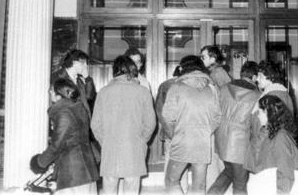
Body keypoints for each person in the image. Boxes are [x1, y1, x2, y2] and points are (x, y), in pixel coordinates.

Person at [91, 55, 157, 195]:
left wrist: (105, 141)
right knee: (132, 188)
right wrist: (141, 140)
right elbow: (151, 123)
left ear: (115, 71)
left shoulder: (103, 92)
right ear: (133, 70)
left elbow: (95, 124)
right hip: (134, 147)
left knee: (109, 187)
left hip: (110, 147)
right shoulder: (143, 92)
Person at [161, 55, 222, 195]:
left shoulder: (176, 87)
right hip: (203, 143)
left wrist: (175, 134)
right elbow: (217, 118)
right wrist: (204, 130)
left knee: (171, 180)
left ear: (182, 68)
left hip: (182, 140)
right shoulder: (212, 89)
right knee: (199, 186)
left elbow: (167, 116)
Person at [30, 78, 99, 194]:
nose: (49, 93)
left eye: (51, 90)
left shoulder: (64, 114)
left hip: (73, 173)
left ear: (59, 95)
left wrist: (40, 162)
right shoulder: (78, 108)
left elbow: (57, 145)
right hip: (86, 170)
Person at [208, 61, 260, 195]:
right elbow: (256, 124)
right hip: (240, 144)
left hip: (222, 140)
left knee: (228, 172)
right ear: (254, 77)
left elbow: (214, 112)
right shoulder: (256, 95)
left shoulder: (224, 88)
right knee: (240, 183)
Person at [246, 94, 298, 195]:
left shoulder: (280, 138)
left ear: (267, 113)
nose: (258, 115)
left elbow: (286, 174)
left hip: (274, 187)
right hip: (265, 182)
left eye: (260, 111)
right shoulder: (266, 131)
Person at [244, 61, 294, 174]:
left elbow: (267, 128)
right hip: (269, 147)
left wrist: (256, 150)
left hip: (268, 151)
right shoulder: (278, 93)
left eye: (260, 76)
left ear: (270, 77)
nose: (257, 79)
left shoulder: (273, 96)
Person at [53, 49, 97, 118]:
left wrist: (87, 78)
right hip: (67, 119)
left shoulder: (79, 81)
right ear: (74, 62)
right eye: (83, 63)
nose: (85, 66)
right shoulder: (59, 78)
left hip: (80, 120)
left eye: (86, 64)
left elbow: (89, 97)